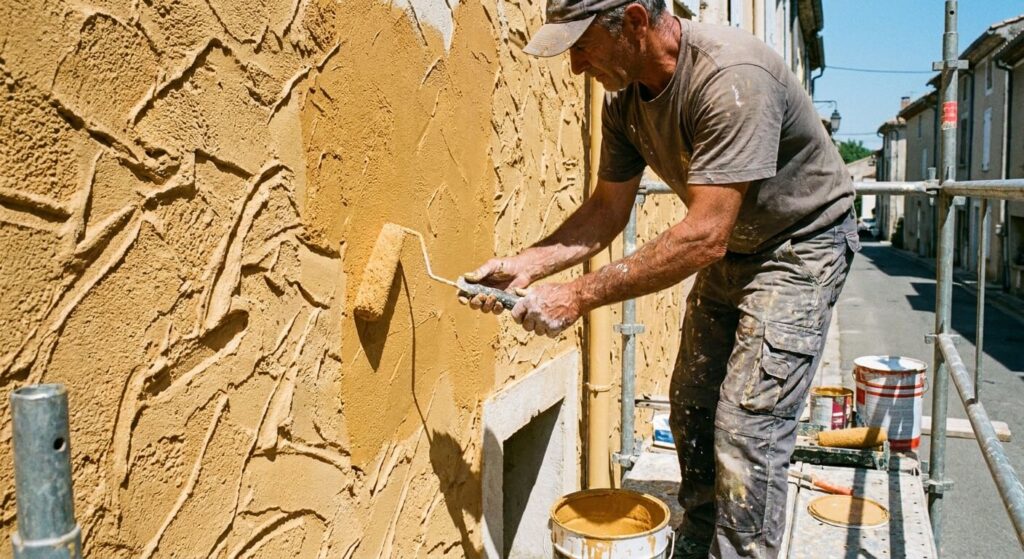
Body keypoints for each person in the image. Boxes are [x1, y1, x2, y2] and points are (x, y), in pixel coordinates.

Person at [461, 1, 858, 557]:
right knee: (693, 404)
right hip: (734, 244)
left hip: (801, 244)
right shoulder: (624, 102)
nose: (575, 67)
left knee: (749, 429)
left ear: (636, 22)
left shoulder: (729, 78)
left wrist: (575, 295)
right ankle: (700, 540)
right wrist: (526, 264)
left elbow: (704, 235)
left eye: (582, 46)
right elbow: (606, 210)